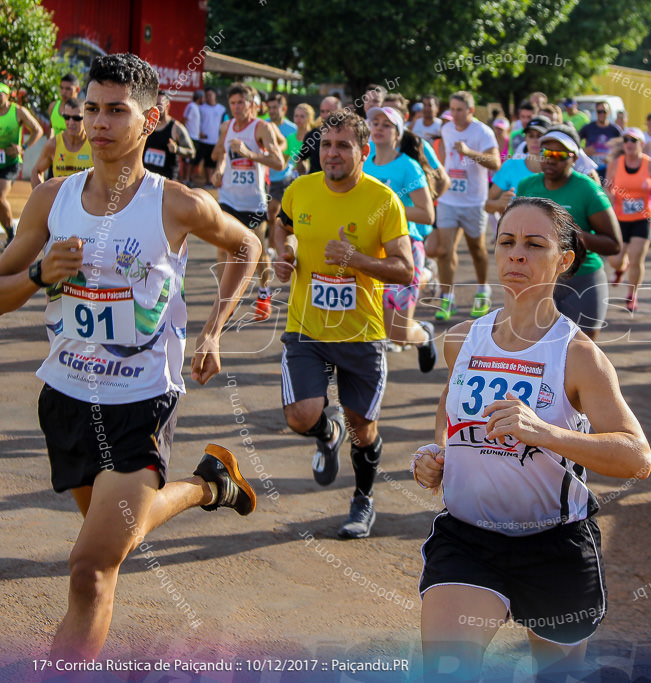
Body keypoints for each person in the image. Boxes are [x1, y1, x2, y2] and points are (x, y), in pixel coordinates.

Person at [0, 52, 260, 661]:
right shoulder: (50, 201)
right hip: (65, 398)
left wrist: (215, 328)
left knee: (91, 564)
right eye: (91, 108)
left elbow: (245, 244)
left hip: (143, 401)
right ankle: (208, 485)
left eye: (117, 111)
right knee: (120, 535)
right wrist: (39, 274)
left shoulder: (175, 203)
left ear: (152, 121)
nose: (99, 122)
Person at [413, 196, 651, 681]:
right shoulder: (461, 339)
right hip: (467, 538)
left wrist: (544, 432)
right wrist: (438, 451)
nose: (516, 255)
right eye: (506, 242)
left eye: (533, 244)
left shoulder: (578, 354)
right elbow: (449, 404)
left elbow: (637, 457)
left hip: (553, 545)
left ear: (564, 260)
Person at [271, 111, 414, 537]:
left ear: (364, 151)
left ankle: (363, 500)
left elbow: (405, 270)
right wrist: (285, 252)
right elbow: (283, 227)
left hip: (361, 332)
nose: (331, 154)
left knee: (363, 429)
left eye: (343, 145)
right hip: (306, 328)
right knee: (300, 415)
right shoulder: (301, 189)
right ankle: (324, 431)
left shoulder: (383, 201)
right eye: (326, 145)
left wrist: (356, 261)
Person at [516, 125, 622, 339]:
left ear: (574, 158)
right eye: (545, 153)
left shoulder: (588, 189)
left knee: (581, 352)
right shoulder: (526, 186)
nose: (551, 159)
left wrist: (577, 236)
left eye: (559, 155)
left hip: (583, 280)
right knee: (536, 349)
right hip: (538, 279)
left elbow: (614, 244)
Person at [363, 104, 438, 371]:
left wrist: (389, 210)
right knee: (366, 320)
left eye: (386, 125)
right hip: (369, 247)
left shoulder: (408, 167)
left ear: (398, 133)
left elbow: (427, 214)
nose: (379, 128)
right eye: (375, 123)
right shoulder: (364, 161)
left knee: (397, 332)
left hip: (404, 248)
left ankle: (424, 334)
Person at [211, 82, 286, 322]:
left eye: (240, 102)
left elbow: (279, 162)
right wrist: (219, 170)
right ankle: (225, 299)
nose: (236, 107)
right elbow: (219, 153)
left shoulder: (261, 127)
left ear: (252, 104)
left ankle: (264, 292)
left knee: (260, 253)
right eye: (232, 103)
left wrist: (250, 154)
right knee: (223, 249)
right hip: (228, 198)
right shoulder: (226, 126)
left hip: (254, 201)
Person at [434, 91, 500, 321]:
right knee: (444, 250)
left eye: (459, 109)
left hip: (474, 200)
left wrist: (470, 153)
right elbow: (445, 156)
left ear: (471, 111)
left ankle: (483, 289)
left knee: (477, 249)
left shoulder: (483, 132)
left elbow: (495, 162)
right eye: (451, 109)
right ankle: (447, 297)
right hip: (448, 199)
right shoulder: (447, 128)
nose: (454, 114)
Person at [605, 126, 651, 312]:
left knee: (638, 258)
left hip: (643, 217)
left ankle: (632, 294)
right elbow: (607, 186)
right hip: (620, 218)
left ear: (641, 144)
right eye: (626, 140)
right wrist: (610, 196)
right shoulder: (615, 164)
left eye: (633, 140)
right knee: (615, 260)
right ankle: (621, 268)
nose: (629, 144)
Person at [0, 83, 44, 246]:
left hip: (10, 162)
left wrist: (22, 147)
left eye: (0, 93)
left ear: (7, 95)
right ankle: (10, 230)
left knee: (0, 196)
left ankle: (12, 234)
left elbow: (37, 130)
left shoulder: (18, 111)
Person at [31, 97, 92, 187]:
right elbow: (36, 171)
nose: (71, 122)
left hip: (86, 200)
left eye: (76, 118)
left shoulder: (94, 145)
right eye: (66, 117)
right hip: (62, 199)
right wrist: (41, 196)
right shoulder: (53, 144)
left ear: (86, 117)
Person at [266, 93, 301, 242]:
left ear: (284, 109)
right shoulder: (263, 125)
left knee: (275, 213)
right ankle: (270, 247)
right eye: (269, 108)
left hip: (283, 177)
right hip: (265, 177)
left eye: (275, 107)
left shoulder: (292, 129)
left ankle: (273, 248)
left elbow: (296, 154)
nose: (272, 111)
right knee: (269, 216)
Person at [141, 91, 195, 179]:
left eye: (159, 105)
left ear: (167, 106)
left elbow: (192, 152)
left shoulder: (176, 128)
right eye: (154, 105)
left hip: (166, 181)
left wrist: (177, 149)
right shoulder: (146, 125)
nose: (156, 108)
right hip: (146, 179)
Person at [579, 103, 622, 179]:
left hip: (609, 170)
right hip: (591, 169)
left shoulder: (615, 130)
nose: (602, 114)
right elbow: (574, 143)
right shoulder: (588, 128)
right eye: (599, 112)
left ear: (609, 112)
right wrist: (584, 151)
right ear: (596, 112)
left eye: (604, 112)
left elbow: (622, 148)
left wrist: (612, 156)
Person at [195, 88, 226, 187]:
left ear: (215, 95)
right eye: (206, 95)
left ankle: (212, 182)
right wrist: (199, 132)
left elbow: (225, 123)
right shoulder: (201, 108)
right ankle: (204, 181)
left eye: (210, 95)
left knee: (212, 162)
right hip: (203, 140)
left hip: (215, 140)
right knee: (197, 161)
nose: (208, 97)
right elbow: (196, 122)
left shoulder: (222, 109)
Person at [46, 73, 81, 138]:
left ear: (77, 89)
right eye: (61, 88)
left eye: (68, 89)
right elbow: (50, 127)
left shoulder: (84, 110)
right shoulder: (53, 106)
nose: (64, 92)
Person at [183, 91, 203, 183]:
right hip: (189, 137)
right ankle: (186, 179)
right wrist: (182, 134)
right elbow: (184, 119)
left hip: (195, 137)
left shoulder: (196, 107)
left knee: (192, 160)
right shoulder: (191, 106)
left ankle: (189, 178)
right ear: (199, 98)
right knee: (188, 159)